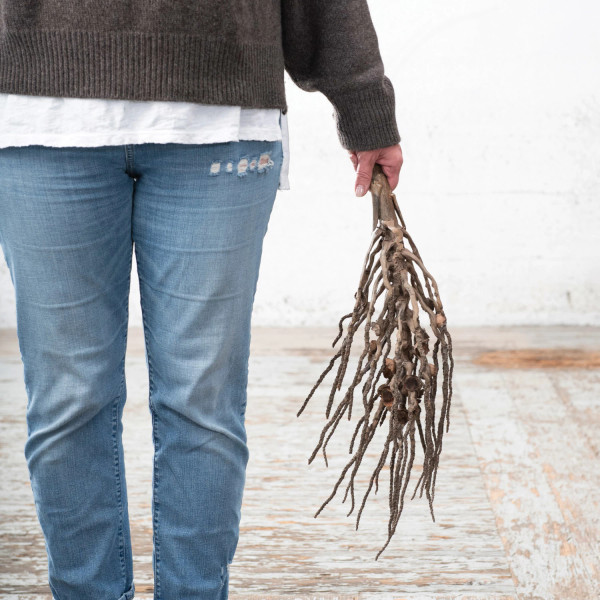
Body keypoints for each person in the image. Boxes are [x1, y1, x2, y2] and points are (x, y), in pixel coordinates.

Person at [0, 1, 403, 598]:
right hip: (41, 121)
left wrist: (365, 105)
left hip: (220, 116)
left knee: (202, 402)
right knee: (67, 401)